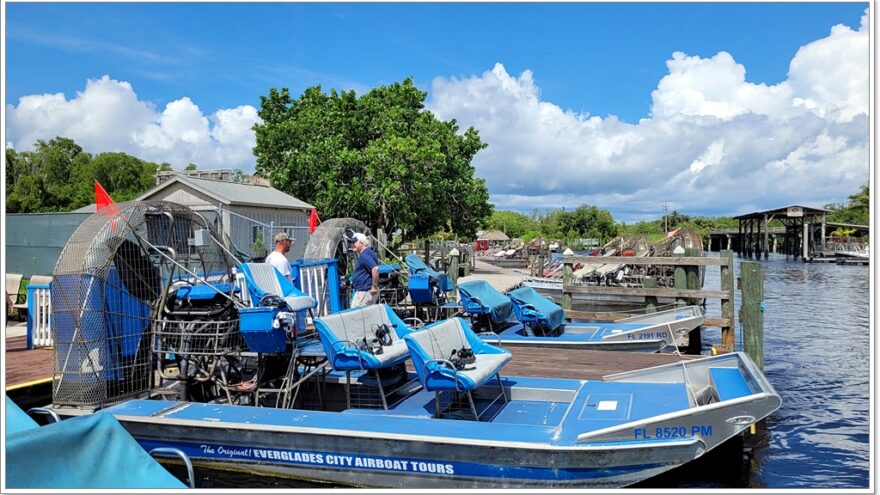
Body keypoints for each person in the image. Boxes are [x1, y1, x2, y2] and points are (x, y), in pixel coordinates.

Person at [350, 232, 379, 307]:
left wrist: (374, 286)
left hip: (364, 292)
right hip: (365, 291)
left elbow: (375, 269)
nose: (352, 245)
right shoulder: (368, 253)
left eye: (354, 242)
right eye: (351, 242)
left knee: (355, 315)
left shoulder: (365, 255)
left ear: (361, 242)